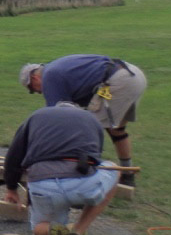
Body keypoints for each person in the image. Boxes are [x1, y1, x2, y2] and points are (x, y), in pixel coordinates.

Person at [3, 103, 119, 235]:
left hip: (43, 184)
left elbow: (14, 155)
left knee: (40, 228)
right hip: (82, 183)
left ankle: (54, 231)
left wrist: (11, 188)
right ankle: (78, 231)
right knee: (113, 168)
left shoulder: (36, 116)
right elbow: (95, 159)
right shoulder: (90, 119)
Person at [19, 54, 146, 186]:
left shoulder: (49, 77)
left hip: (117, 81)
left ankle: (87, 177)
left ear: (34, 78)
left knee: (87, 129)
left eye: (32, 89)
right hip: (133, 75)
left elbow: (56, 117)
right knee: (116, 131)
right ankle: (127, 174)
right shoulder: (56, 67)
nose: (38, 92)